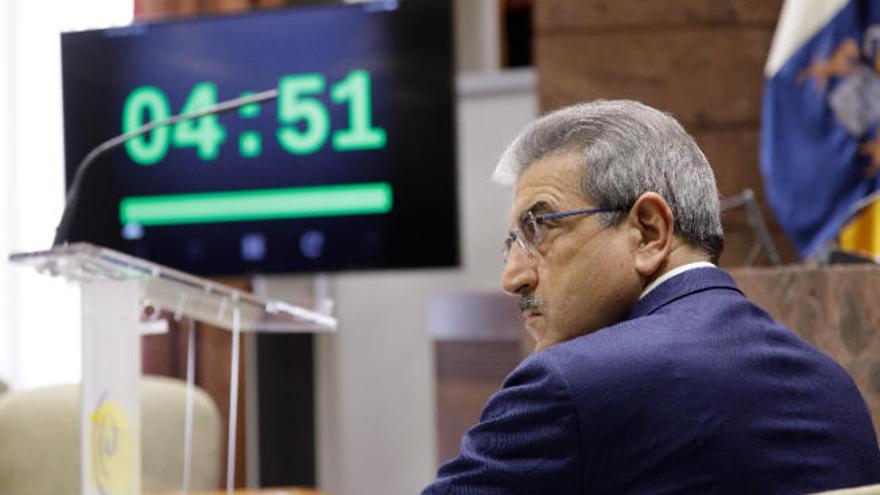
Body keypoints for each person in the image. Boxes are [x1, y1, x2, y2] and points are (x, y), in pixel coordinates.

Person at [421, 100, 880, 494]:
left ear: (649, 231)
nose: (514, 277)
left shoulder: (568, 386)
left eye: (539, 230)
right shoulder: (831, 384)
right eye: (511, 245)